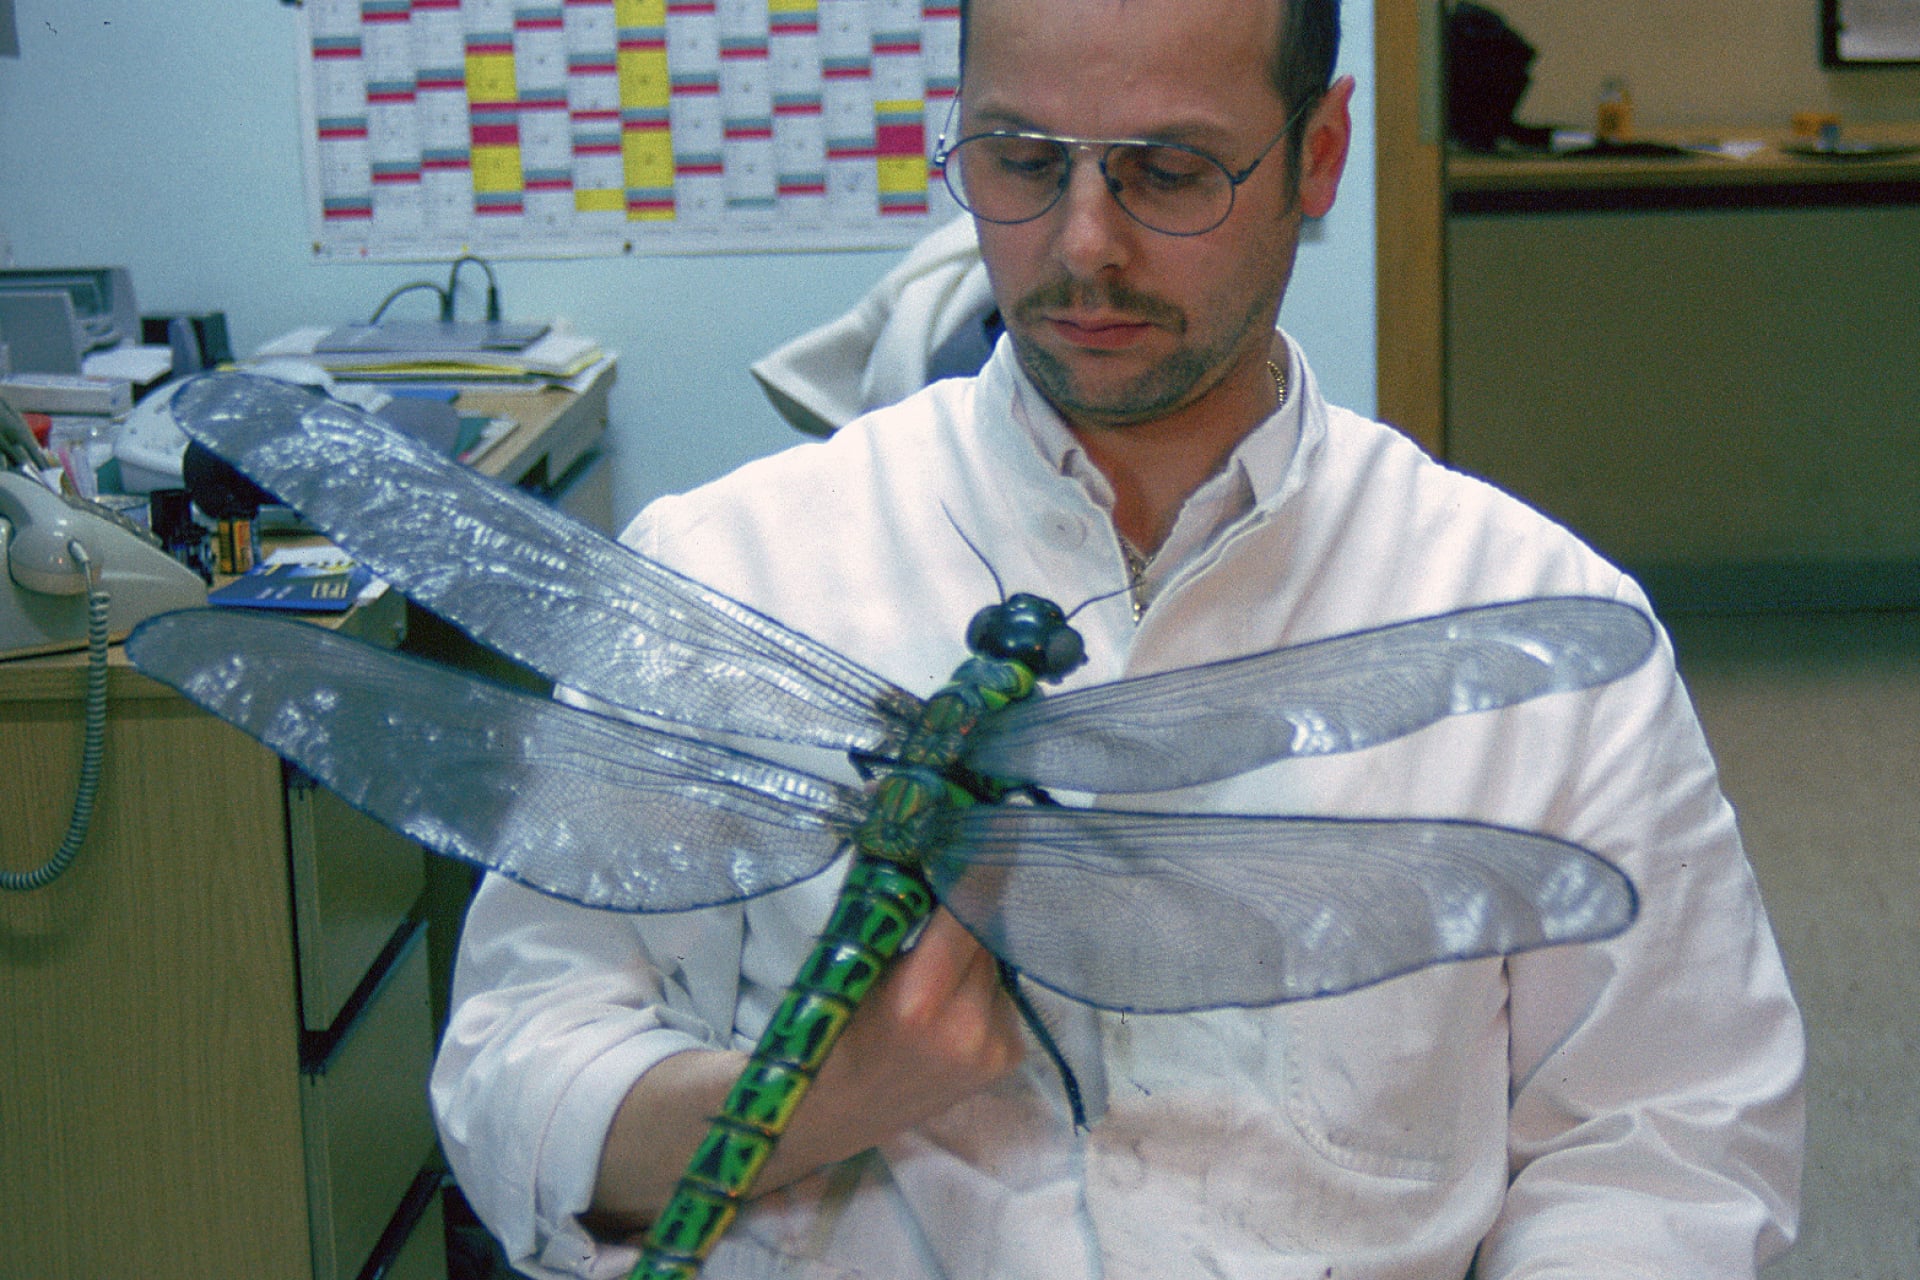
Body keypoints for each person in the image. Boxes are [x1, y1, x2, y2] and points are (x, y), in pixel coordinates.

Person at [431, 0, 1806, 1275]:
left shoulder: (1532, 624)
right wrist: (822, 1099)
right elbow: (509, 1067)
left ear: (1319, 155)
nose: (1085, 243)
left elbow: (1670, 1141)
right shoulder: (733, 565)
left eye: (1169, 170)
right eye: (1022, 159)